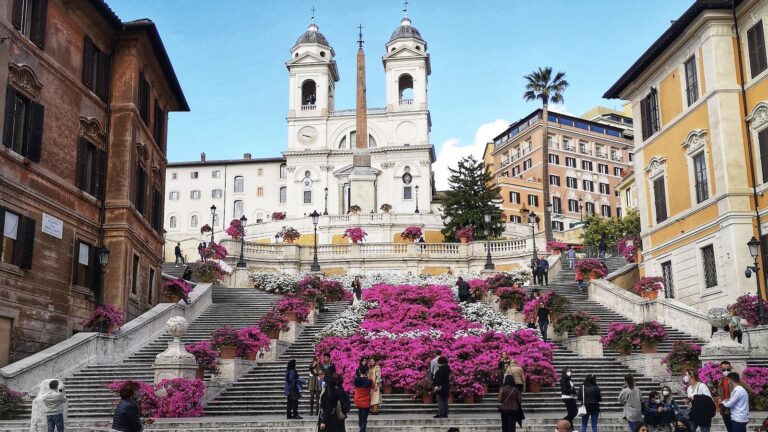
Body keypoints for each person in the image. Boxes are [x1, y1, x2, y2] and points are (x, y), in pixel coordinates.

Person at [716, 361, 735, 432]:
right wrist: (718, 399)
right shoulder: (721, 381)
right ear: (721, 370)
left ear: (731, 368)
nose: (726, 371)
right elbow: (718, 393)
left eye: (728, 369)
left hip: (734, 409)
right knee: (729, 429)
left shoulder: (735, 380)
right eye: (724, 370)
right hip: (724, 409)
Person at [353, 366, 373, 432]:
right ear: (367, 372)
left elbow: (355, 386)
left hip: (358, 400)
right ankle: (362, 429)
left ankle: (360, 425)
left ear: (359, 371)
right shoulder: (369, 381)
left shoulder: (356, 379)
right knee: (364, 418)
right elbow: (374, 388)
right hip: (366, 401)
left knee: (360, 413)